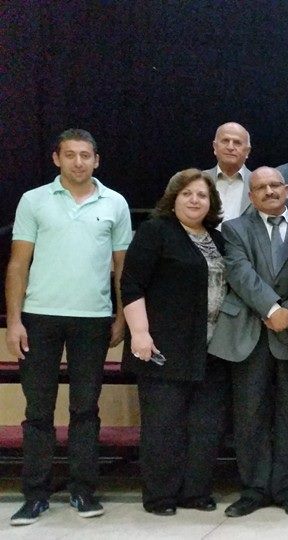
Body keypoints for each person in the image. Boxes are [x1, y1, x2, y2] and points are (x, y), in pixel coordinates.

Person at [6, 129, 132, 525]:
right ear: (56, 158)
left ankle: (83, 490)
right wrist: (14, 321)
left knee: (85, 409)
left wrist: (122, 315)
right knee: (38, 410)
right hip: (39, 317)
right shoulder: (34, 200)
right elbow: (18, 264)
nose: (79, 161)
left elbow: (122, 267)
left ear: (97, 160)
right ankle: (35, 495)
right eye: (71, 154)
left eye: (85, 155)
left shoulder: (115, 203)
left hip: (93, 319)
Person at [121, 168, 229, 516]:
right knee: (163, 425)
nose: (195, 200)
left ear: (211, 202)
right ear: (173, 198)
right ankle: (161, 496)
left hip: (210, 348)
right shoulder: (156, 231)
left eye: (202, 195)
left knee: (205, 425)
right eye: (187, 194)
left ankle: (195, 492)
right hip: (163, 347)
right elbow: (131, 283)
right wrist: (139, 332)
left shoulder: (217, 239)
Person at [207, 167, 288, 518]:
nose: (269, 191)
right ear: (251, 196)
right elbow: (239, 272)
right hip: (249, 330)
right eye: (260, 187)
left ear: (287, 190)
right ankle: (254, 489)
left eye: (275, 185)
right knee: (250, 414)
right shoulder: (235, 228)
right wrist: (271, 308)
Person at [205, 122, 253, 222]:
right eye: (225, 141)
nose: (230, 147)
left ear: (247, 151)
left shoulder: (259, 184)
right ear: (215, 147)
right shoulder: (198, 180)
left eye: (237, 142)